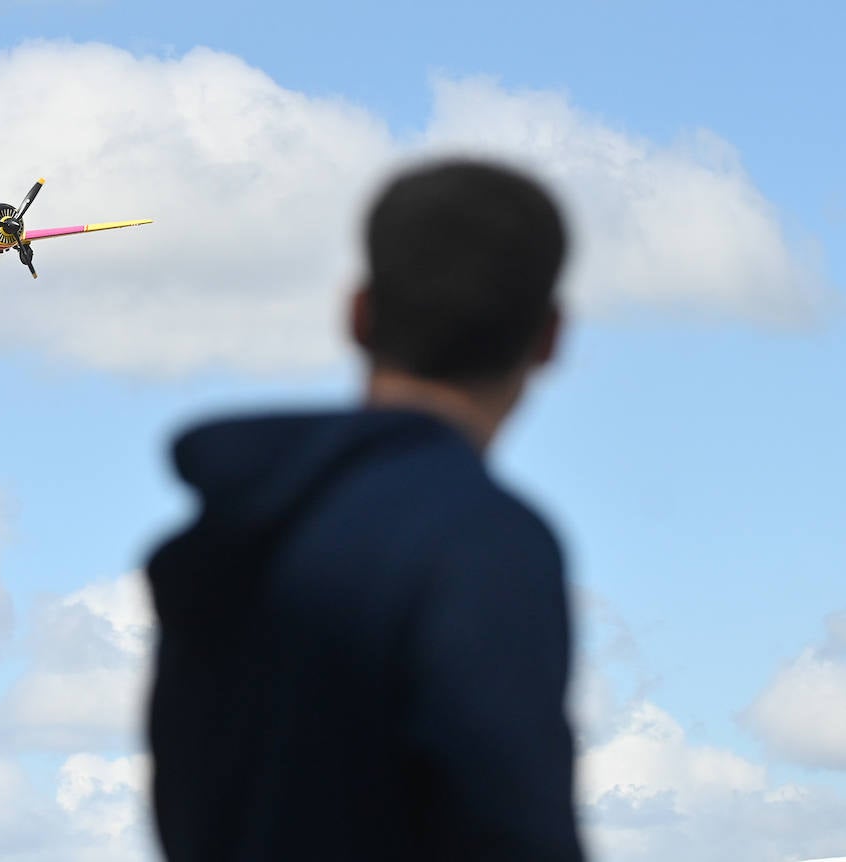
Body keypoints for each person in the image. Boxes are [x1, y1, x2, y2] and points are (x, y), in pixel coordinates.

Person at [144, 158, 585, 860]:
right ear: (551, 337)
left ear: (358, 314)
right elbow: (513, 828)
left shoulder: (233, 534)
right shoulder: (482, 544)